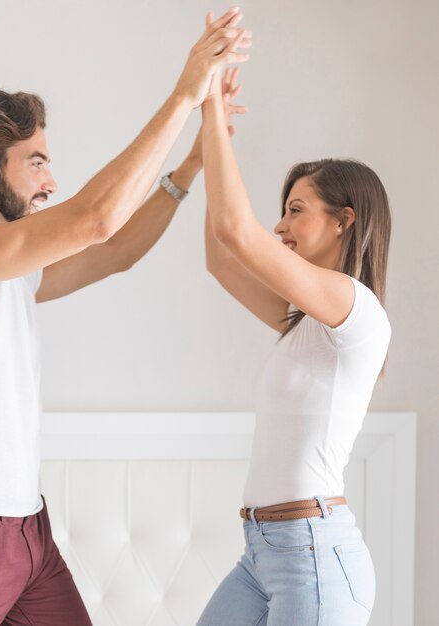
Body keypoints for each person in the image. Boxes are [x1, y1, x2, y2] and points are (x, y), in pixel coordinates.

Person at [0, 8, 251, 626]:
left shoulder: (11, 269)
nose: (51, 180)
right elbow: (95, 220)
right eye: (35, 161)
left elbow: (113, 251)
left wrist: (189, 167)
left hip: (28, 531)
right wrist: (184, 95)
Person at [195, 18, 392, 626]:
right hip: (263, 553)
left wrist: (204, 96)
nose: (281, 225)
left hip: (314, 554)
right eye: (281, 211)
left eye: (296, 211)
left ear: (344, 221)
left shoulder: (353, 307)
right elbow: (220, 259)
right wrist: (216, 133)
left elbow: (236, 232)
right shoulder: (306, 320)